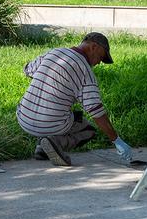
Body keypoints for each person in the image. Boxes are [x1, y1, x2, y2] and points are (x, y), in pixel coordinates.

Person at [17, 32, 133, 166]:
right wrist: (116, 140)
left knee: (67, 114)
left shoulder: (54, 52)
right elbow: (96, 111)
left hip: (23, 117)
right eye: (100, 58)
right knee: (87, 130)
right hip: (50, 124)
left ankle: (42, 148)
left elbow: (27, 70)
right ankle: (55, 143)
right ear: (93, 47)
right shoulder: (85, 71)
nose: (98, 63)